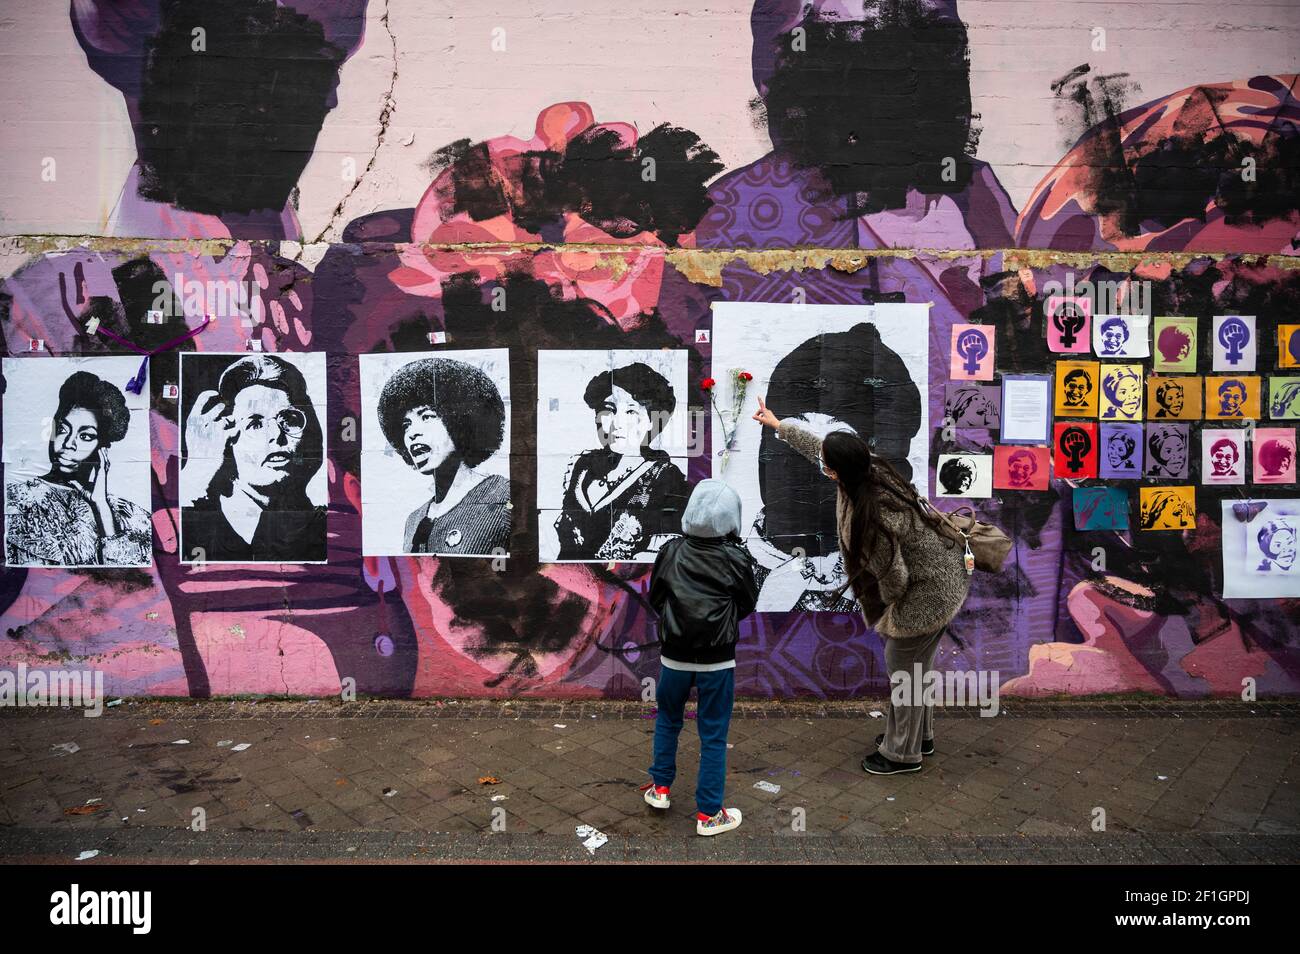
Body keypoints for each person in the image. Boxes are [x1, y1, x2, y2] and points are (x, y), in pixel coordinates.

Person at [753, 395, 972, 775]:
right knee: (917, 668)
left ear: (836, 472)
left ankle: (901, 754)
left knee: (902, 666)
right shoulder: (867, 468)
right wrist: (778, 425)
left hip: (928, 593)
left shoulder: (873, 515)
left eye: (826, 464)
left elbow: (895, 577)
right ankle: (920, 736)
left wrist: (891, 610)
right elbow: (817, 448)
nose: (822, 463)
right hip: (945, 575)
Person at [644, 479, 758, 835]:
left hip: (673, 657)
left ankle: (660, 789)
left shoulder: (671, 551)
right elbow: (747, 603)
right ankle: (709, 814)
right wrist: (720, 623)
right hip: (717, 661)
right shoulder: (737, 558)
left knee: (667, 720)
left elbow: (656, 597)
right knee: (713, 734)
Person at [181, 354, 326, 562]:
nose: (276, 435)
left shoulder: (322, 527)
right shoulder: (192, 517)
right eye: (255, 423)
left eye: (289, 419)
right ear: (226, 437)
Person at [5, 370, 151, 566]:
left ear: (102, 449)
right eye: (63, 429)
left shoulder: (129, 514)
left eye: (85, 436)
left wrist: (101, 506)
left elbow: (133, 579)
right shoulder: (18, 500)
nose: (68, 444)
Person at [554, 362, 689, 561]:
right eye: (609, 410)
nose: (616, 423)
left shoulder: (665, 476)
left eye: (631, 412)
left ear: (652, 419)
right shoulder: (582, 466)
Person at [376, 357, 511, 555]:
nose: (412, 433)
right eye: (406, 425)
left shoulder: (504, 495)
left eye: (427, 416)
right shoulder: (414, 520)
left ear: (460, 421)